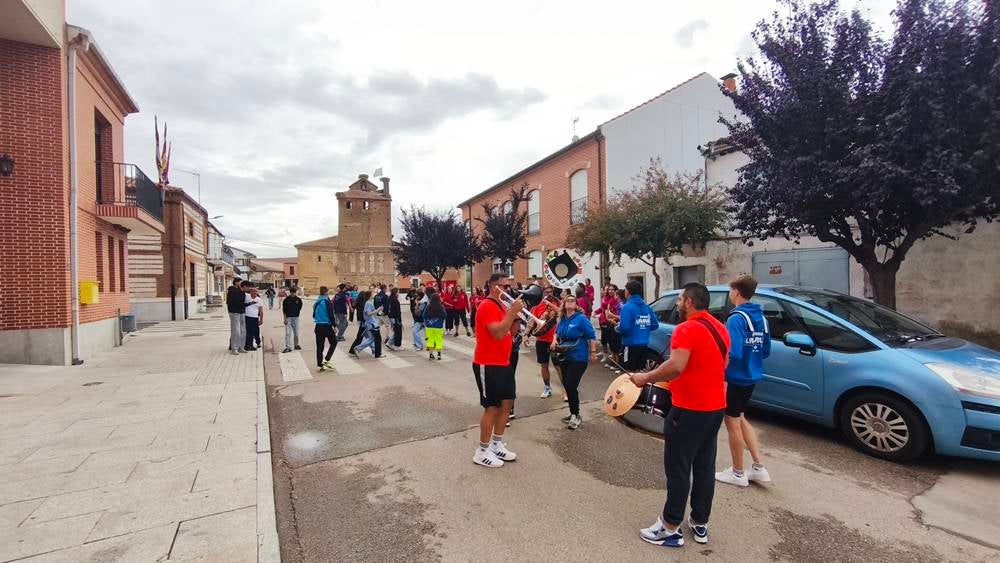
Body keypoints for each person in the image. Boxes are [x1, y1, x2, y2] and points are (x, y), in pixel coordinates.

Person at [628, 283, 729, 548]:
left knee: (678, 468)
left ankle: (670, 527)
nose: (677, 303)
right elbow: (723, 363)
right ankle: (699, 521)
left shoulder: (686, 329)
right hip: (716, 407)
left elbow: (676, 365)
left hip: (689, 409)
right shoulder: (720, 328)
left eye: (680, 299)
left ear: (690, 302)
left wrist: (646, 377)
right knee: (705, 466)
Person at [716, 275, 773, 487]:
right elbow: (765, 349)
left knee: (731, 422)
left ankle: (738, 472)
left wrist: (719, 372)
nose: (730, 294)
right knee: (740, 417)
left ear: (736, 292)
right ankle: (758, 467)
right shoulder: (762, 318)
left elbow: (734, 352)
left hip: (735, 378)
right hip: (752, 376)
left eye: (731, 290)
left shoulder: (736, 318)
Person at [471, 273, 523, 468]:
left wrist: (516, 317)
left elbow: (510, 333)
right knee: (491, 407)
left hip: (504, 362)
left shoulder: (502, 307)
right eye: (505, 287)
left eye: (509, 286)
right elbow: (498, 333)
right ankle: (482, 451)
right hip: (488, 363)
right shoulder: (486, 306)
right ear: (495, 288)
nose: (509, 290)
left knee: (507, 403)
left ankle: (497, 443)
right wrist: (512, 313)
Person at [554, 294, 598, 429]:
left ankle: (576, 415)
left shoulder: (581, 319)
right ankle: (573, 413)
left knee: (571, 385)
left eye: (573, 300)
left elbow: (591, 336)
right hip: (564, 356)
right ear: (564, 304)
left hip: (579, 357)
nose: (570, 302)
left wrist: (593, 353)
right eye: (568, 300)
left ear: (576, 305)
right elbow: (556, 332)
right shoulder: (562, 319)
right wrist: (554, 340)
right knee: (567, 386)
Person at [526, 286, 563, 399]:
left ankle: (566, 388)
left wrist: (550, 305)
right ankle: (547, 387)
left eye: (550, 292)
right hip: (541, 340)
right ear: (543, 293)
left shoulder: (558, 303)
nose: (549, 294)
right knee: (544, 365)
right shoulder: (537, 306)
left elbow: (562, 312)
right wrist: (526, 335)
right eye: (546, 292)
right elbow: (531, 321)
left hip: (555, 339)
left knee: (558, 366)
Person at [616, 280, 659, 372]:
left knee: (627, 374)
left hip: (630, 345)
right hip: (644, 346)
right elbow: (655, 325)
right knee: (639, 374)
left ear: (628, 292)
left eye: (625, 290)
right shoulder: (646, 307)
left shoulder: (627, 307)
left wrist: (617, 328)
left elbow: (624, 328)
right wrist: (642, 328)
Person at [312, 286, 337, 370]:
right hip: (326, 325)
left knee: (320, 346)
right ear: (326, 292)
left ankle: (320, 364)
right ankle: (326, 360)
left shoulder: (317, 301)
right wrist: (335, 325)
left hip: (318, 326)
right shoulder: (327, 301)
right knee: (334, 342)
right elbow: (331, 314)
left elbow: (313, 314)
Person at [595, 285, 621, 363]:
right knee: (604, 339)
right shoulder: (605, 298)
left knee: (612, 341)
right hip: (603, 320)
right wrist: (596, 312)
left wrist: (612, 317)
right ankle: (608, 356)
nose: (610, 291)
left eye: (612, 289)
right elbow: (602, 308)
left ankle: (615, 361)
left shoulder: (616, 300)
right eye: (609, 289)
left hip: (612, 321)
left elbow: (615, 311)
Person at [354, 291, 384, 358]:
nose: (373, 294)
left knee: (371, 338)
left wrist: (379, 318)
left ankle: (359, 348)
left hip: (372, 323)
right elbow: (368, 313)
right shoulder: (368, 303)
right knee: (377, 338)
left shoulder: (369, 303)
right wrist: (378, 310)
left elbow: (372, 314)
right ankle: (377, 353)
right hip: (371, 323)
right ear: (370, 295)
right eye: (372, 293)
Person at [422, 292, 447, 360]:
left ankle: (431, 355)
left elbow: (424, 315)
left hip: (429, 327)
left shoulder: (428, 306)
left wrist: (428, 321)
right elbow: (445, 315)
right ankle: (439, 355)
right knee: (438, 340)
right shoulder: (441, 307)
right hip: (438, 327)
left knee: (430, 341)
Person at [226, 278, 246, 355]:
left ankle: (241, 347)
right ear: (236, 283)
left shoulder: (241, 291)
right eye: (240, 282)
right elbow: (231, 302)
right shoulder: (232, 291)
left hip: (242, 312)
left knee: (243, 330)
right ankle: (234, 348)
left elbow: (242, 301)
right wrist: (232, 310)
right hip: (234, 313)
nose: (241, 284)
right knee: (236, 331)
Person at [282, 287, 303, 353]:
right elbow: (284, 310)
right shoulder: (286, 300)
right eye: (292, 292)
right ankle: (288, 347)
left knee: (296, 333)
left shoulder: (298, 300)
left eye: (294, 292)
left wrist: (296, 313)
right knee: (288, 333)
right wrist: (285, 319)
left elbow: (300, 307)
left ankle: (296, 345)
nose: (293, 294)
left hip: (296, 318)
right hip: (288, 318)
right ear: (290, 292)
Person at [347, 291, 369, 356]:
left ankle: (353, 350)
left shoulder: (358, 302)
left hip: (360, 321)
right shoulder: (364, 303)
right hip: (364, 322)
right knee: (362, 337)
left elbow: (353, 309)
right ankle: (353, 349)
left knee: (361, 337)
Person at [244, 286, 263, 351]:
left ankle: (257, 342)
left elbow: (261, 310)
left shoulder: (259, 300)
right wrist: (249, 288)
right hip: (247, 317)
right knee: (249, 332)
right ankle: (248, 345)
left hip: (255, 317)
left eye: (256, 291)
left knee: (255, 331)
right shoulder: (247, 297)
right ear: (250, 292)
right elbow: (242, 291)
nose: (254, 292)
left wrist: (261, 319)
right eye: (253, 291)